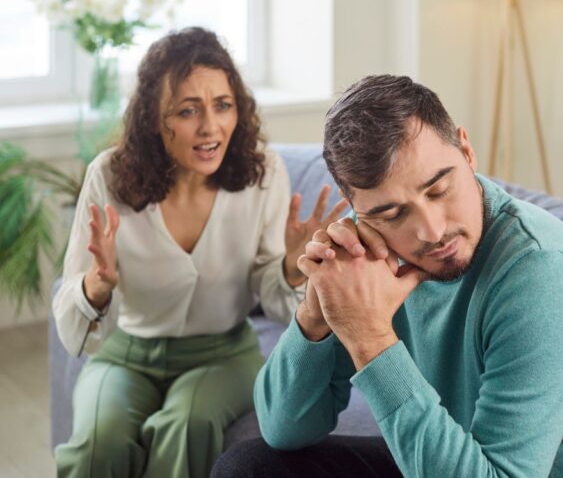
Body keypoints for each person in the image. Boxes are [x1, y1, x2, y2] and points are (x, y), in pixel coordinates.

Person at [213, 74, 563, 477]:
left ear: (467, 150)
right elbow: (284, 430)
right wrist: (317, 315)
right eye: (392, 213)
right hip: (464, 459)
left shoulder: (544, 274)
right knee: (250, 468)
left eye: (439, 189)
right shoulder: (368, 257)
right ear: (357, 211)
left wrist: (371, 340)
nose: (432, 231)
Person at [52, 27, 346, 478]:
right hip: (125, 353)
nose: (210, 126)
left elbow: (272, 298)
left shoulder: (264, 174)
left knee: (186, 424)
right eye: (188, 110)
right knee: (98, 441)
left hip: (224, 355)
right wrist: (97, 285)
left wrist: (290, 267)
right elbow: (73, 303)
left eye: (222, 105)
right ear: (154, 118)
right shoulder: (108, 176)